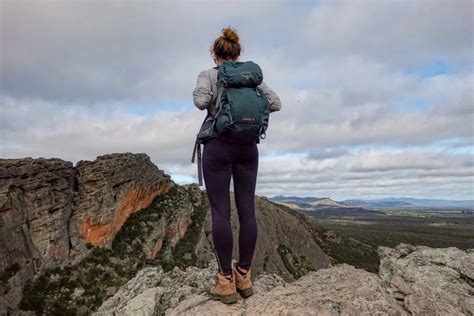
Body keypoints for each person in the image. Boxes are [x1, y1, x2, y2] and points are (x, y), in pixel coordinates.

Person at [192, 26, 282, 304]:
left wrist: (215, 100)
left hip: (218, 148)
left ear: (215, 54)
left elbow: (200, 102)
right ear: (238, 53)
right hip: (248, 150)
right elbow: (276, 103)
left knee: (220, 212)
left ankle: (225, 282)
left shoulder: (209, 74)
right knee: (247, 212)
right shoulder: (252, 79)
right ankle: (244, 275)